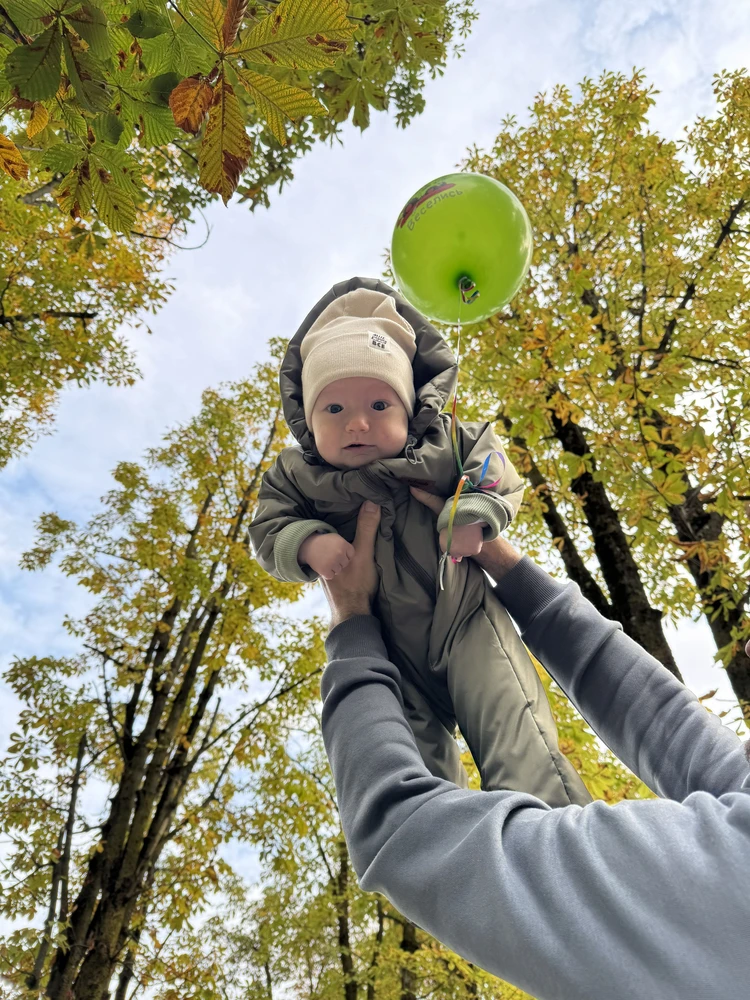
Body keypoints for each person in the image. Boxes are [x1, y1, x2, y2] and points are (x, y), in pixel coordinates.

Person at [318, 496, 750, 1000]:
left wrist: (351, 625)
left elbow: (400, 828)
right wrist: (499, 558)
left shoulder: (719, 878)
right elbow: (664, 723)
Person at [249, 276, 590, 808]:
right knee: (418, 783)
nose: (357, 422)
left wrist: (474, 511)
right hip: (387, 654)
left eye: (379, 405)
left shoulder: (441, 443)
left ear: (409, 409)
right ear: (307, 422)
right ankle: (456, 873)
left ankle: (561, 844)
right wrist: (307, 541)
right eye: (333, 410)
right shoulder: (297, 476)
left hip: (465, 619)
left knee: (517, 737)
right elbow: (267, 526)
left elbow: (493, 468)